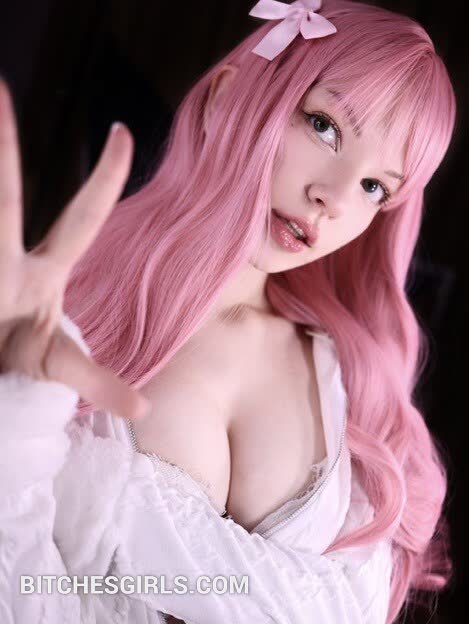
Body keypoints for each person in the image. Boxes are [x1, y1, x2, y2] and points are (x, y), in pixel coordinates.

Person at [0, 0, 456, 622]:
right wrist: (17, 415)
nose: (333, 198)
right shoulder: (57, 332)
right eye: (324, 126)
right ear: (222, 101)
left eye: (375, 187)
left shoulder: (356, 385)